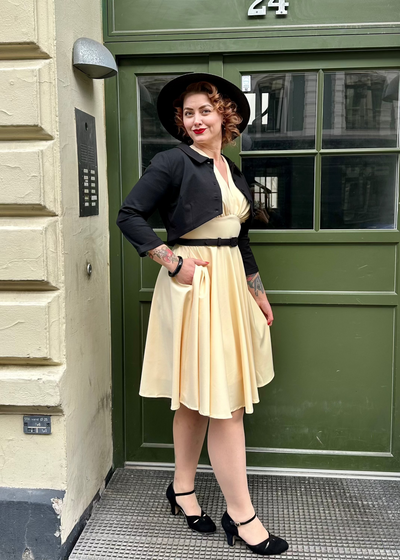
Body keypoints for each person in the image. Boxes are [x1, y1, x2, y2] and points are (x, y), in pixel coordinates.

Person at [116, 73, 289, 556]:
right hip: (196, 286)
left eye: (204, 111)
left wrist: (257, 292)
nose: (196, 120)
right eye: (188, 113)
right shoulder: (172, 161)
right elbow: (129, 216)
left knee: (200, 400)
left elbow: (240, 239)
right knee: (220, 403)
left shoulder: (232, 170)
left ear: (224, 116)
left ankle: (182, 490)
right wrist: (172, 262)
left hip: (230, 286)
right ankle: (242, 515)